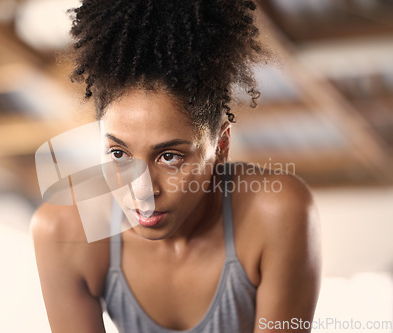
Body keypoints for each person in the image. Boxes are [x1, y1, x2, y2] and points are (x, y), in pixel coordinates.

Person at [30, 0, 321, 332]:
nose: (142, 191)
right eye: (119, 154)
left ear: (221, 145)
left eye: (169, 157)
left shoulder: (277, 213)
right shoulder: (64, 232)